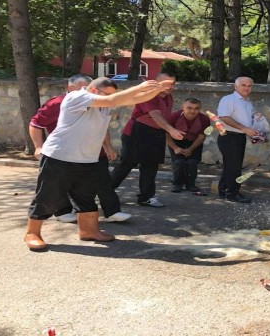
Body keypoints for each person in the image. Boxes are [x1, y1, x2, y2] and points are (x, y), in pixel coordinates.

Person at [24, 77, 174, 250]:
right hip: (59, 157)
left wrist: (158, 89)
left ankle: (89, 231)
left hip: (87, 159)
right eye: (107, 94)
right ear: (94, 90)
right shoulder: (76, 97)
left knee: (86, 197)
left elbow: (132, 99)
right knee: (47, 196)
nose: (110, 99)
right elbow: (113, 99)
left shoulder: (102, 104)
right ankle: (32, 233)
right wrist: (139, 86)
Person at [29, 74, 132, 223]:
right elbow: (36, 124)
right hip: (64, 152)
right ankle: (61, 212)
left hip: (92, 152)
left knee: (101, 181)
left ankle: (111, 211)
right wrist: (38, 147)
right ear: (70, 88)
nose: (86, 91)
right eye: (83, 87)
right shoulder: (59, 103)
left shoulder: (100, 104)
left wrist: (108, 146)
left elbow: (102, 127)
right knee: (57, 186)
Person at [111, 72, 184, 208]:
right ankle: (105, 191)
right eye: (165, 83)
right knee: (127, 164)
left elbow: (164, 116)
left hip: (156, 132)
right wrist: (170, 129)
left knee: (151, 165)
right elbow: (155, 115)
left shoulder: (169, 97)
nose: (169, 87)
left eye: (172, 83)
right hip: (137, 131)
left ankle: (146, 197)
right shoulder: (149, 95)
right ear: (156, 83)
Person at [216, 76, 259, 203]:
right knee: (234, 168)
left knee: (231, 166)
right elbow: (224, 117)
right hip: (229, 136)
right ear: (236, 86)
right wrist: (245, 129)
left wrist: (256, 120)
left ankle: (223, 190)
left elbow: (247, 120)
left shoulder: (248, 103)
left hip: (239, 137)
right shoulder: (229, 99)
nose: (247, 88)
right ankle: (233, 193)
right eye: (243, 85)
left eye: (249, 86)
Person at [166, 98, 210, 193]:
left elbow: (202, 136)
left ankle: (191, 184)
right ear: (183, 107)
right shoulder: (173, 117)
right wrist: (175, 148)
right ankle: (177, 184)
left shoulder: (205, 119)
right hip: (176, 141)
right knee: (178, 162)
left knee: (192, 163)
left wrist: (191, 148)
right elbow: (166, 134)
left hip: (195, 142)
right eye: (189, 108)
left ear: (200, 109)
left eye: (196, 108)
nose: (192, 111)